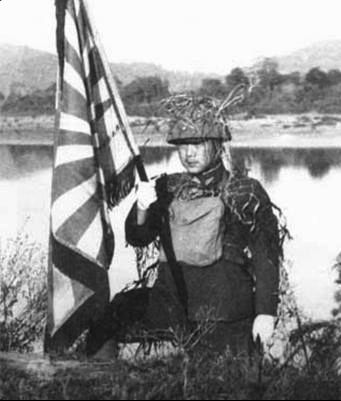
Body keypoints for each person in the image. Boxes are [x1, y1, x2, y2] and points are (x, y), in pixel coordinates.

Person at [86, 94, 285, 359]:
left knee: (228, 384)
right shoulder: (165, 187)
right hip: (169, 304)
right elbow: (137, 238)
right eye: (182, 145)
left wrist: (265, 313)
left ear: (216, 145)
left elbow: (266, 257)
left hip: (224, 312)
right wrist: (142, 207)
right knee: (109, 318)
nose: (189, 153)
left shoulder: (245, 191)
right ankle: (99, 382)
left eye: (198, 143)